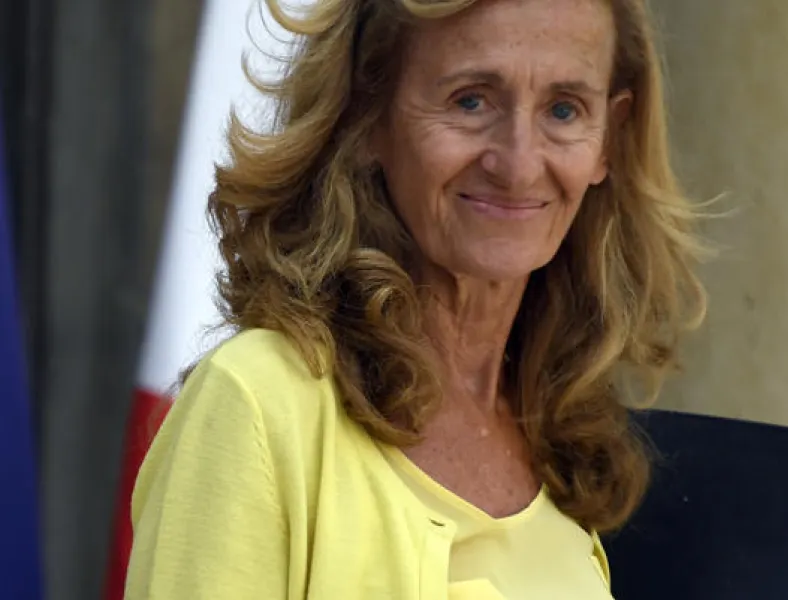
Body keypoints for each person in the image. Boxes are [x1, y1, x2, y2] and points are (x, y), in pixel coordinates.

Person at [125, 0, 707, 597]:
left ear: (609, 138)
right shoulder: (257, 401)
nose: (518, 165)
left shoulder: (564, 438)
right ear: (367, 116)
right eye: (471, 100)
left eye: (563, 109)